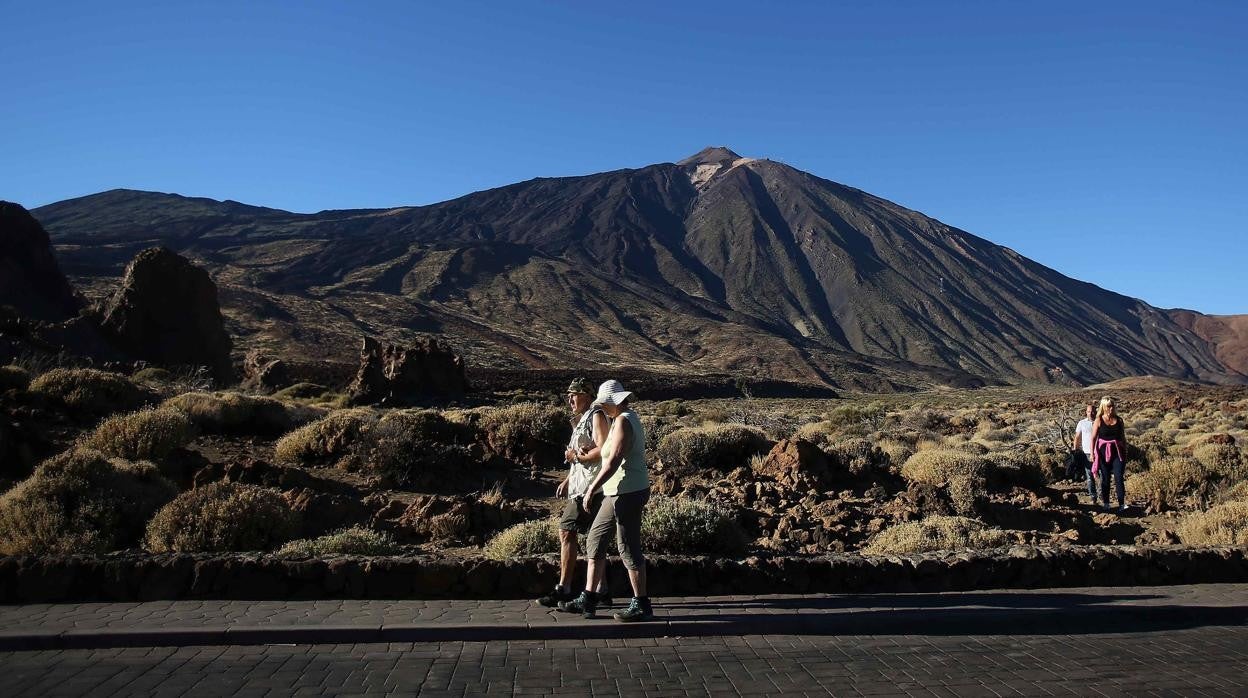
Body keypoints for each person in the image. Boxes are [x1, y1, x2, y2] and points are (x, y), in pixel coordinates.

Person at [558, 379, 653, 622]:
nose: (601, 407)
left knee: (628, 547)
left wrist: (592, 488)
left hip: (628, 491)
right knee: (596, 538)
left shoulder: (623, 421)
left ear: (613, 402)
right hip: (616, 492)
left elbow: (613, 460)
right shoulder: (620, 419)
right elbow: (606, 453)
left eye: (604, 403)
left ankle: (641, 604)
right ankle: (589, 598)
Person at [536, 378, 612, 608]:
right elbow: (582, 454)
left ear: (587, 396)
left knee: (566, 530)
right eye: (568, 395)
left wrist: (576, 457)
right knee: (593, 539)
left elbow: (603, 449)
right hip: (583, 486)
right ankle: (601, 591)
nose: (570, 399)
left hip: (592, 488)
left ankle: (564, 588)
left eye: (574, 395)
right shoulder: (583, 419)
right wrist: (569, 479)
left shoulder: (596, 416)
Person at [1090, 396, 1129, 513]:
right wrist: (1092, 454)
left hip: (1117, 453)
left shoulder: (1119, 420)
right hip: (1103, 453)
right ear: (1103, 407)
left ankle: (1121, 504)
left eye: (1112, 405)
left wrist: (1125, 452)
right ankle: (1106, 504)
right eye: (1108, 406)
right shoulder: (1099, 420)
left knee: (1119, 477)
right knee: (1105, 478)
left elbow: (1123, 438)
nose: (1111, 408)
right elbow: (1093, 438)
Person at [1072, 402, 1097, 504]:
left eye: (1092, 411)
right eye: (1089, 411)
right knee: (1089, 476)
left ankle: (1103, 496)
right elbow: (1077, 437)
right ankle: (1093, 496)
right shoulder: (1082, 423)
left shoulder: (1100, 422)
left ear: (1096, 412)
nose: (1091, 413)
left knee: (1102, 475)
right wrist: (1075, 450)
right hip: (1087, 453)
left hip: (1099, 453)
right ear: (1086, 412)